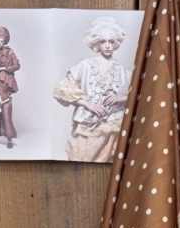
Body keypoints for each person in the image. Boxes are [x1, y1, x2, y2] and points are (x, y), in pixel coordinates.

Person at [52, 16, 129, 162]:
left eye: (111, 41)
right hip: (87, 126)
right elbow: (62, 89)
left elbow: (141, 96)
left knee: (110, 165)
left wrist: (122, 98)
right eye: (103, 41)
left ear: (116, 43)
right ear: (96, 43)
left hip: (115, 126)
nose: (107, 46)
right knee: (80, 160)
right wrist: (89, 105)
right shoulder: (85, 66)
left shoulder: (122, 71)